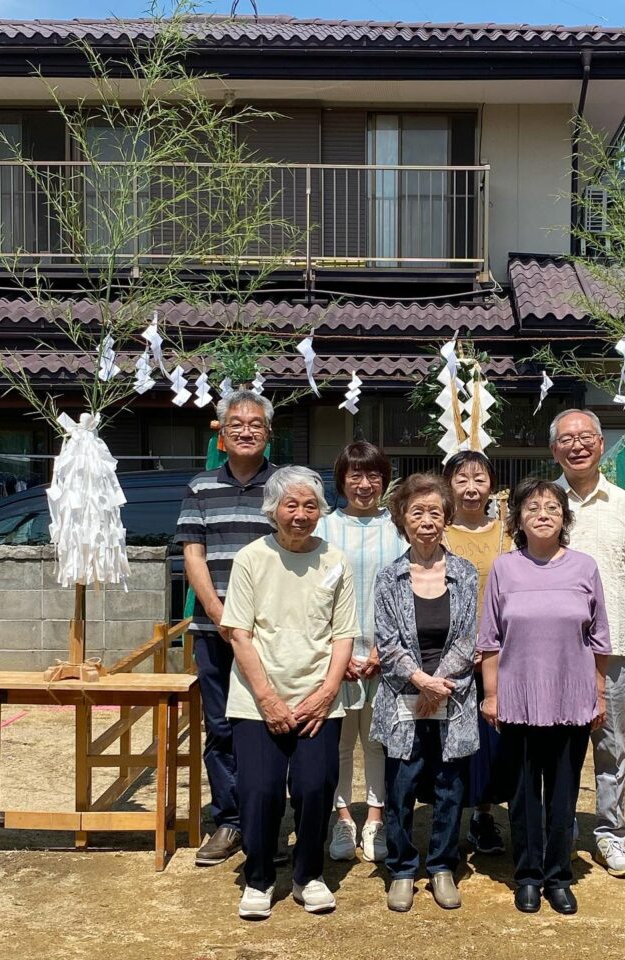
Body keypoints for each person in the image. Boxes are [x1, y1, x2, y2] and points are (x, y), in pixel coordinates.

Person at [221, 465, 358, 920]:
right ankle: (259, 877)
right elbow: (239, 634)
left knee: (315, 786)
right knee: (258, 790)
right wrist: (267, 700)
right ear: (273, 510)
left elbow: (343, 636)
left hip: (319, 697)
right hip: (257, 700)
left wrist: (327, 691)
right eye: (291, 504)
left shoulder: (335, 560)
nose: (301, 514)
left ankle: (308, 875)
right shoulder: (251, 558)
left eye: (310, 505)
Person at [479, 478, 611, 915]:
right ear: (517, 518)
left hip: (571, 699)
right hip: (517, 698)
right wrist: (492, 694)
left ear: (565, 518)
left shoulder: (584, 567)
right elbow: (490, 638)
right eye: (532, 507)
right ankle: (528, 876)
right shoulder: (504, 567)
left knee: (563, 793)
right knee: (522, 796)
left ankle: (558, 875)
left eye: (552, 507)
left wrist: (599, 694)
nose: (543, 514)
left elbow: (598, 638)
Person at [174, 389, 278, 867]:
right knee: (220, 727)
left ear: (268, 432)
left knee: (275, 724)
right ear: (221, 432)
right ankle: (231, 820)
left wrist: (254, 623)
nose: (245, 430)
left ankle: (273, 824)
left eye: (255, 423)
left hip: (273, 631)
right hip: (212, 629)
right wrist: (220, 615)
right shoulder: (200, 488)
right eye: (236, 423)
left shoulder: (284, 486)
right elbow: (192, 555)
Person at [370, 473, 479, 913]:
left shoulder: (465, 573)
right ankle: (400, 868)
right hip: (404, 696)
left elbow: (470, 637)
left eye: (436, 512)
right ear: (402, 519)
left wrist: (439, 683)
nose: (427, 521)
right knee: (402, 786)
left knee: (449, 787)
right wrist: (420, 680)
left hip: (451, 696)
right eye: (417, 512)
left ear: (447, 518)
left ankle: (441, 866)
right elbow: (387, 639)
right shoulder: (389, 576)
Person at [551, 408, 625, 877]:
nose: (577, 445)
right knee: (555, 745)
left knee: (610, 745)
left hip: (612, 648)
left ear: (600, 443)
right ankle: (561, 829)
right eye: (567, 438)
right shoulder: (544, 502)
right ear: (555, 449)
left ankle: (610, 834)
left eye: (586, 436)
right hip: (551, 647)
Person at [316, 442, 407, 864]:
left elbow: (408, 594)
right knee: (337, 742)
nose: (364, 484)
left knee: (377, 742)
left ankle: (375, 818)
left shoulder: (398, 529)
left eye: (373, 476)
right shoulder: (323, 529)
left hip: (386, 657)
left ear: (385, 481)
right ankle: (342, 819)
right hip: (335, 655)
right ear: (341, 481)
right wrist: (340, 654)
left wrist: (384, 653)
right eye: (355, 475)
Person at [442, 450, 512, 855]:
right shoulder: (440, 531)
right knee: (447, 741)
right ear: (449, 484)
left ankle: (483, 816)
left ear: (491, 485)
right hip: (447, 653)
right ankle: (446, 818)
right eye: (461, 479)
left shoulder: (507, 533)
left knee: (491, 740)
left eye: (479, 479)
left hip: (501, 653)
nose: (471, 488)